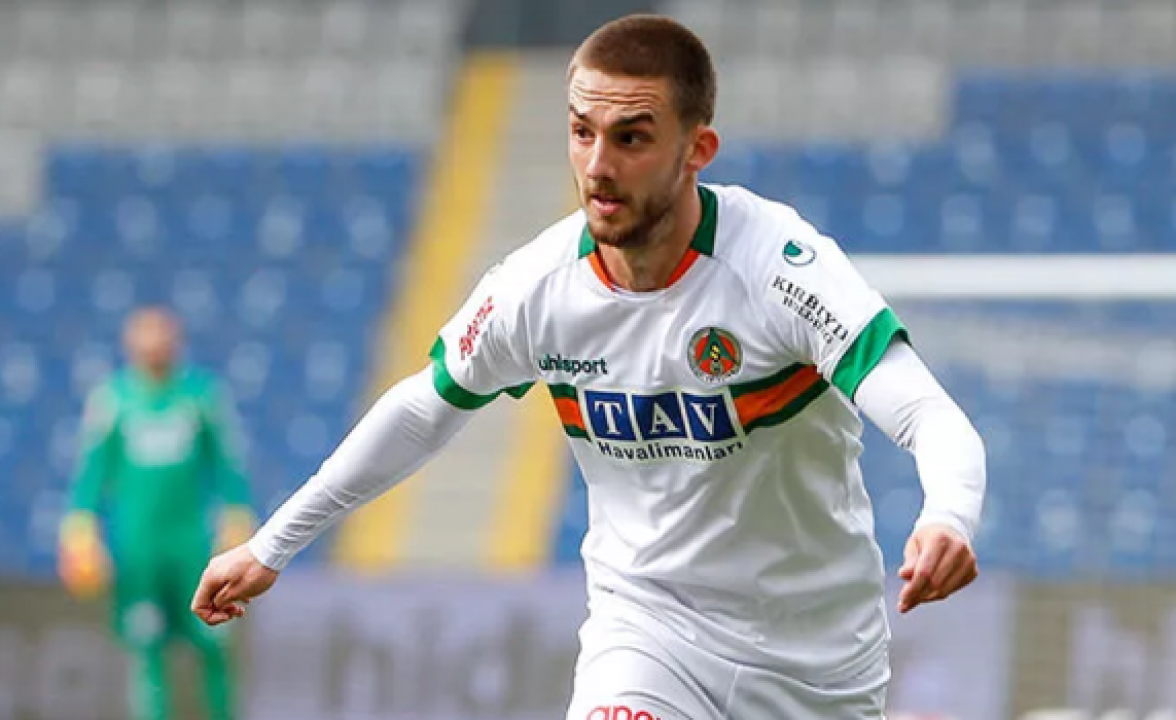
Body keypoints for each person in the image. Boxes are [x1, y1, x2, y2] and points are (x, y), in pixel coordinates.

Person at [191, 14, 986, 720]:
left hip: (818, 663)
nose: (598, 165)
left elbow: (928, 414)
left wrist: (948, 514)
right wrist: (271, 545)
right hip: (648, 634)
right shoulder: (538, 287)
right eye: (581, 132)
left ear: (698, 149)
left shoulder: (780, 268)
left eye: (631, 138)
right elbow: (423, 409)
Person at [60, 306, 255, 720]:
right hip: (137, 548)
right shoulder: (112, 400)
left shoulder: (201, 395)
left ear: (176, 342)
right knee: (146, 647)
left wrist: (237, 514)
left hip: (193, 546)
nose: (154, 347)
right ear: (129, 345)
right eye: (144, 338)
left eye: (162, 337)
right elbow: (91, 472)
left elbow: (226, 463)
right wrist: (80, 529)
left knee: (213, 644)